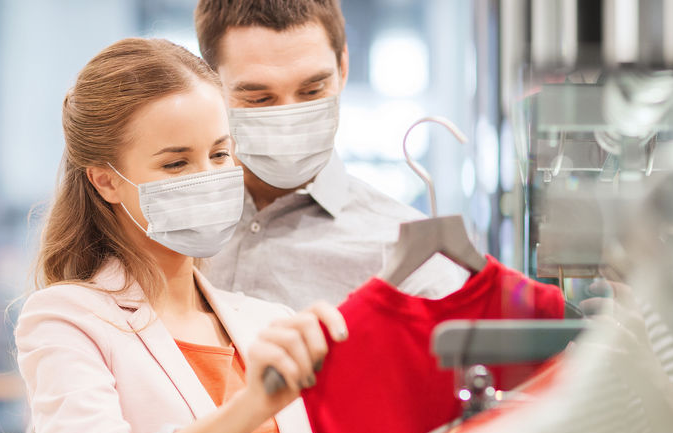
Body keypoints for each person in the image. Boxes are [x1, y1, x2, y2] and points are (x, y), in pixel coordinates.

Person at [10, 38, 346, 433]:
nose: (209, 177)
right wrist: (253, 404)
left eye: (220, 154)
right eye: (176, 163)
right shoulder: (66, 320)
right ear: (105, 181)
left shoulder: (269, 322)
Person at [194, 0, 468, 311]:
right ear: (209, 85)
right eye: (258, 98)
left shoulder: (410, 258)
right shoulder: (173, 230)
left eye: (312, 91)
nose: (289, 120)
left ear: (343, 68)